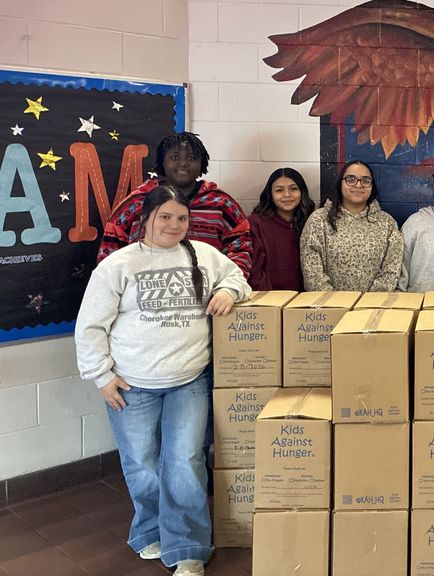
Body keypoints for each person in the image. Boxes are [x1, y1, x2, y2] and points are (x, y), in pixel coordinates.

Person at [75, 185, 251, 576]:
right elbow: (89, 326)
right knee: (142, 463)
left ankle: (187, 545)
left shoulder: (203, 255)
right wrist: (102, 376)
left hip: (189, 379)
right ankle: (151, 530)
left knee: (185, 462)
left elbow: (238, 275)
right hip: (131, 384)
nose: (174, 225)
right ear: (146, 219)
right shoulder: (118, 265)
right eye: (165, 217)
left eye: (182, 218)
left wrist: (227, 290)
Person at [98, 131, 252, 277]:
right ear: (162, 162)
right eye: (175, 157)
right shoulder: (138, 202)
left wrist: (227, 287)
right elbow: (110, 252)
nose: (183, 163)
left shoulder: (220, 203)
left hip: (209, 296)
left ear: (202, 164)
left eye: (191, 158)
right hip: (144, 295)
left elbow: (241, 248)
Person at [300, 160, 403, 291]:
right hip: (329, 308)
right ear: (340, 184)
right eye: (350, 179)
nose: (358, 185)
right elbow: (313, 274)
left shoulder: (387, 223)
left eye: (365, 180)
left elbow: (391, 271)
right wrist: (334, 305)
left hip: (372, 308)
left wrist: (367, 307)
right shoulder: (319, 220)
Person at [248, 168, 315, 291]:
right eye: (279, 190)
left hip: (305, 302)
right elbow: (254, 271)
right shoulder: (256, 224)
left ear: (302, 192)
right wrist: (272, 301)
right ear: (270, 195)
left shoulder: (312, 222)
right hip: (269, 300)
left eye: (293, 189)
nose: (287, 195)